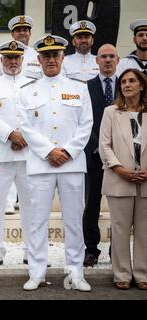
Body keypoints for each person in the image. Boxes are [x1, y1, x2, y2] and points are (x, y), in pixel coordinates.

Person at [19, 35, 93, 292]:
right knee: (37, 221)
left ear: (63, 58)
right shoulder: (27, 91)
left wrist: (68, 151)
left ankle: (76, 272)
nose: (51, 60)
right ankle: (37, 272)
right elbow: (26, 127)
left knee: (73, 220)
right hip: (41, 164)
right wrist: (50, 151)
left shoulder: (79, 88)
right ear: (38, 59)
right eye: (46, 56)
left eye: (55, 55)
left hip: (71, 164)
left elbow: (86, 124)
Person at [0, 40, 34, 267]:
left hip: (29, 153)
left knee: (31, 204)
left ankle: (31, 250)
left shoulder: (33, 83)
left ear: (22, 59)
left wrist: (23, 136)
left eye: (16, 58)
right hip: (1, 153)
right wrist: (11, 134)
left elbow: (37, 116)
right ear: (1, 60)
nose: (12, 62)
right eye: (8, 58)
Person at [99, 68, 147, 290]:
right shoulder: (111, 112)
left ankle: (142, 273)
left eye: (132, 81)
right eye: (124, 82)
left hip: (145, 180)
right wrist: (119, 169)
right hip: (119, 179)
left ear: (142, 85)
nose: (127, 85)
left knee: (144, 230)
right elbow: (104, 145)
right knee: (119, 228)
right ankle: (122, 274)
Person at [83, 44, 119, 267]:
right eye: (103, 57)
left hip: (122, 158)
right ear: (96, 61)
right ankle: (91, 250)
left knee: (119, 207)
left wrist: (116, 150)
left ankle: (117, 251)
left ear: (118, 59)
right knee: (92, 205)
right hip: (94, 156)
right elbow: (85, 121)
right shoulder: (86, 87)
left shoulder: (127, 86)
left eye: (111, 57)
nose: (107, 60)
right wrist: (101, 147)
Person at [0, 15, 42, 80]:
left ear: (30, 33)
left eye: (25, 30)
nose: (22, 33)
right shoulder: (0, 56)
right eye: (18, 31)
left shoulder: (39, 55)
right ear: (12, 34)